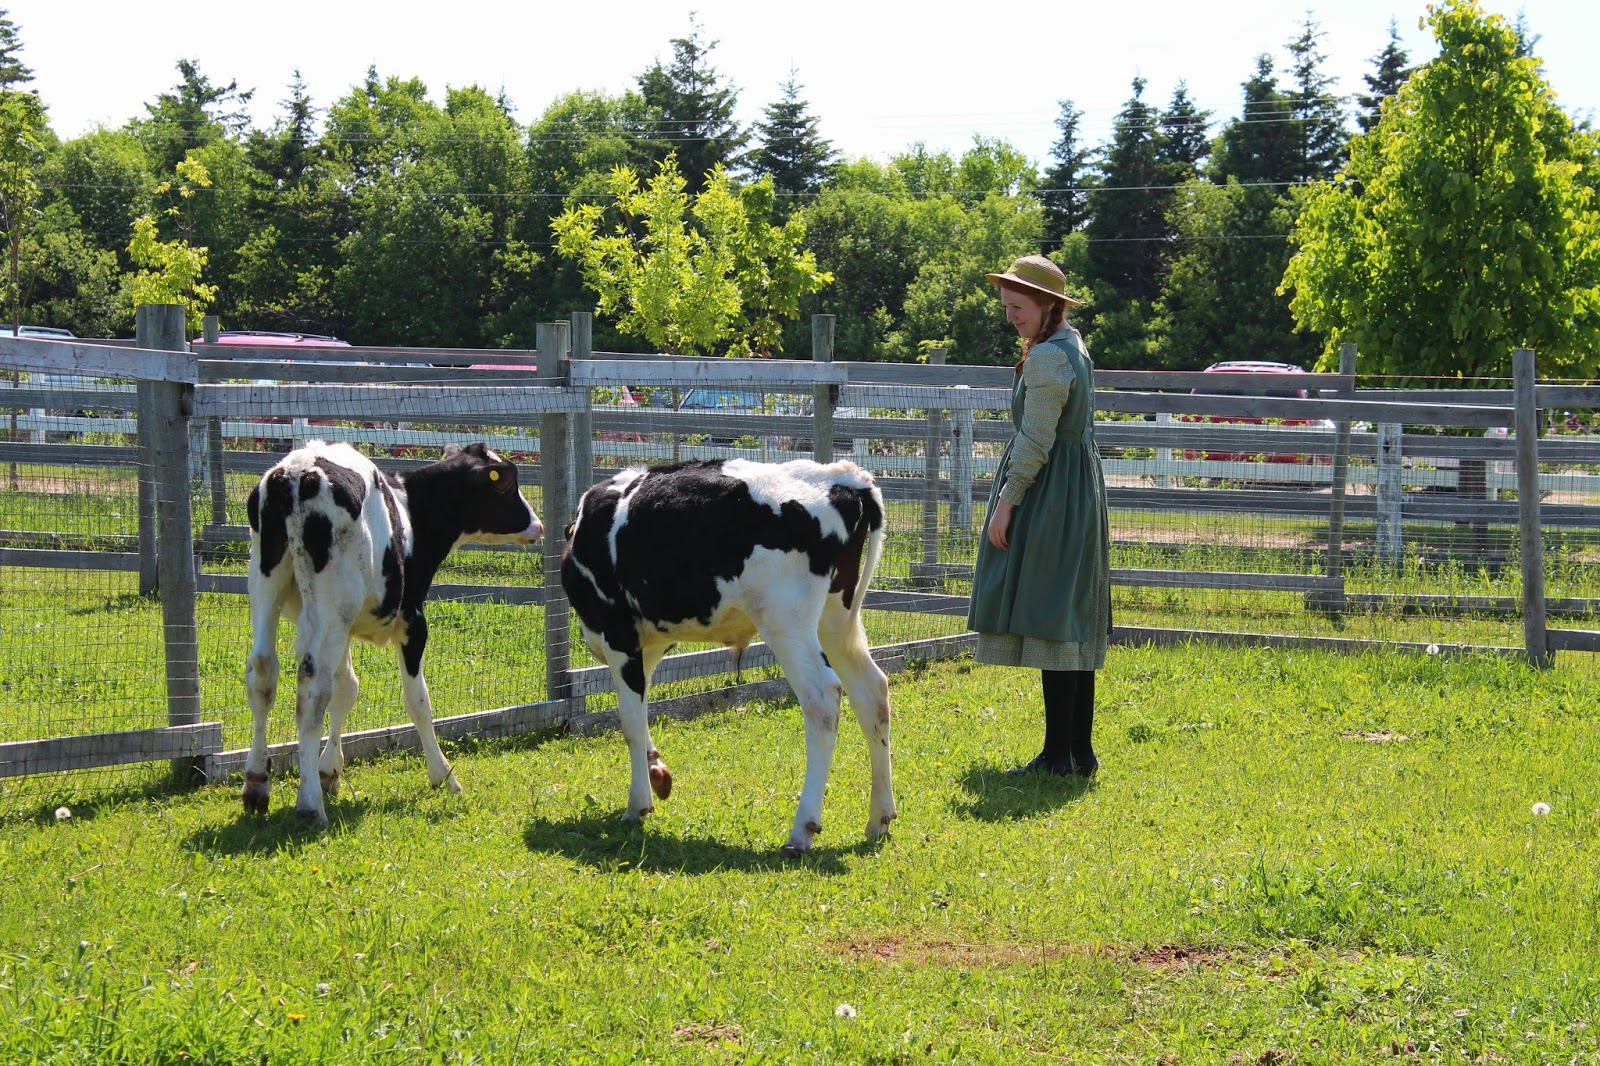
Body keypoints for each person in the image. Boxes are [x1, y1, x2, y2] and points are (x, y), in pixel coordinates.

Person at [967, 255, 1111, 778]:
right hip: (1074, 487)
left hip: (1053, 491)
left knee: (1054, 616)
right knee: (1066, 618)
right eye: (1006, 306)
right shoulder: (1071, 346)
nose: (1010, 316)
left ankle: (1059, 755)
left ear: (1049, 305)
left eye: (1018, 306)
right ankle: (1078, 752)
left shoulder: (1051, 356)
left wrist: (1007, 500)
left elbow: (1036, 439)